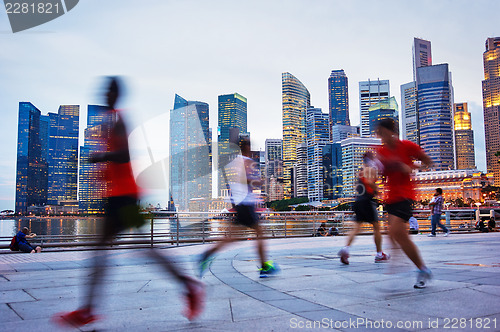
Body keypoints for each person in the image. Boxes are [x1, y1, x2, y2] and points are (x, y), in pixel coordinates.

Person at [54, 77, 204, 327]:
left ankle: (89, 309)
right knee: (135, 249)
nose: (105, 95)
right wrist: (101, 169)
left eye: (110, 91)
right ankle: (188, 286)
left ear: (116, 94)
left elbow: (124, 155)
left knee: (115, 250)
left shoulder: (119, 121)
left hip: (124, 197)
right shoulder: (110, 121)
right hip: (119, 197)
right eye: (105, 90)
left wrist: (100, 156)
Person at [198, 137, 278, 278]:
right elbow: (246, 179)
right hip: (246, 204)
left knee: (232, 236)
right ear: (247, 147)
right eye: (250, 147)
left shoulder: (234, 161)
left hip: (241, 204)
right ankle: (265, 266)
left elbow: (237, 180)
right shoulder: (246, 161)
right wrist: (260, 181)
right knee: (259, 233)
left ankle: (207, 254)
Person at [375, 118, 433, 289]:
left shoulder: (407, 146)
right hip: (390, 197)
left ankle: (421, 268)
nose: (380, 136)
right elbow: (380, 172)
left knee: (396, 232)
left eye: (382, 132)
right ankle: (416, 265)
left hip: (405, 195)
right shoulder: (381, 151)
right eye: (378, 133)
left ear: (391, 131)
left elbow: (428, 162)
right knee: (395, 234)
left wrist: (411, 167)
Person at [338, 152, 389, 265]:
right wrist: (378, 192)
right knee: (376, 227)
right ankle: (379, 254)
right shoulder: (370, 169)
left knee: (356, 228)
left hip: (358, 201)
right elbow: (370, 182)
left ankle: (345, 249)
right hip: (367, 201)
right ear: (371, 159)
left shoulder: (361, 171)